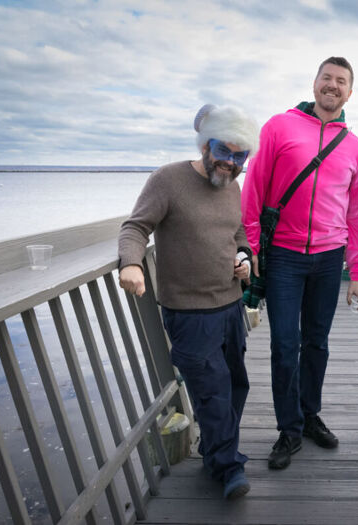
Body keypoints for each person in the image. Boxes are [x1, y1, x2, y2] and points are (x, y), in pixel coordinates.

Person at [117, 103, 259, 498]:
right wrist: (132, 264)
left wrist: (245, 258)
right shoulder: (168, 180)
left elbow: (239, 235)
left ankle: (215, 452)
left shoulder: (232, 186)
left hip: (230, 307)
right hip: (189, 314)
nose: (230, 162)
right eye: (223, 150)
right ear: (205, 144)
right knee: (213, 392)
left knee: (236, 387)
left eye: (239, 155)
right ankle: (230, 469)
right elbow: (135, 227)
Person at [241, 57, 358, 470]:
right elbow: (253, 188)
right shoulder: (278, 127)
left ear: (349, 93)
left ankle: (310, 414)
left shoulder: (356, 148)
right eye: (327, 78)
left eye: (341, 82)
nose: (332, 86)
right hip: (282, 256)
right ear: (314, 83)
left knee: (317, 342)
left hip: (329, 258)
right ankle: (289, 428)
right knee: (284, 345)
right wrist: (250, 247)